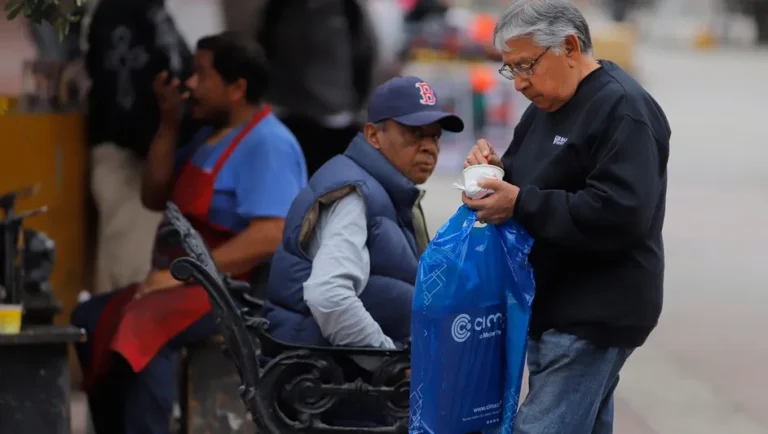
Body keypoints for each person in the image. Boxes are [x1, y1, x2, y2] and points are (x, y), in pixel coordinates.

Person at [71, 31, 307, 434]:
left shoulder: (268, 144)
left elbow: (270, 233)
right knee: (91, 317)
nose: (191, 85)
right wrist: (168, 123)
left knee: (142, 326)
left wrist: (187, 270)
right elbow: (153, 195)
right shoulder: (206, 137)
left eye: (201, 75)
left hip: (233, 292)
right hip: (185, 282)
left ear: (237, 88)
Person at [463, 1, 670, 432]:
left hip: (594, 308)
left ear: (570, 47)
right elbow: (530, 180)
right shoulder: (546, 106)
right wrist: (495, 172)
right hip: (552, 301)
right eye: (510, 70)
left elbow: (620, 212)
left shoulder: (623, 109)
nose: (519, 83)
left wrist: (518, 202)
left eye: (526, 66)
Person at [264, 75, 464, 362]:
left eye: (434, 136)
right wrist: (387, 362)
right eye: (415, 133)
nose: (429, 147)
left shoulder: (382, 188)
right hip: (324, 380)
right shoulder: (353, 195)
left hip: (336, 374)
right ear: (373, 136)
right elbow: (329, 296)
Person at [84, 0, 199, 293]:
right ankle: (118, 333)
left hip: (151, 152)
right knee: (129, 264)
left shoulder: (151, 9)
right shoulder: (119, 10)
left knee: (140, 255)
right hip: (127, 154)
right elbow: (120, 83)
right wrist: (151, 145)